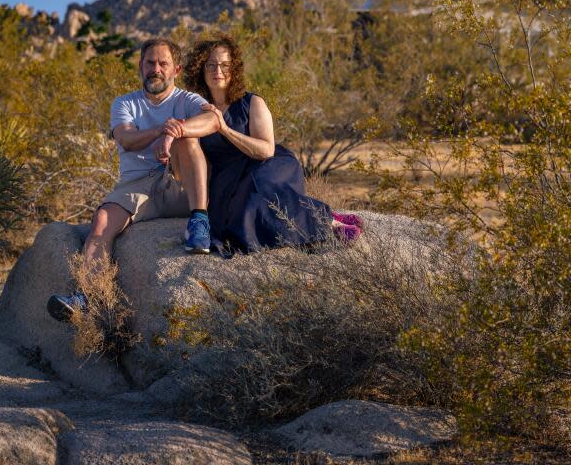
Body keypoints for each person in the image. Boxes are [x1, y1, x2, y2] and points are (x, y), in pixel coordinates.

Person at [47, 38, 220, 321]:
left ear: (175, 69)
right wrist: (159, 130)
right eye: (150, 63)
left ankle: (199, 220)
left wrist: (172, 134)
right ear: (140, 66)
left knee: (186, 140)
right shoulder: (125, 103)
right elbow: (126, 138)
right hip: (137, 186)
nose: (156, 69)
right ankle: (88, 297)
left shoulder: (186, 100)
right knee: (102, 221)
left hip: (180, 184)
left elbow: (213, 120)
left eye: (163, 63)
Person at [184, 34, 362, 255]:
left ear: (234, 69)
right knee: (244, 211)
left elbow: (266, 150)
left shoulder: (252, 103)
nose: (217, 71)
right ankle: (325, 214)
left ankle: (328, 224)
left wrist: (224, 129)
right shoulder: (195, 108)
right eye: (210, 65)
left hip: (266, 164)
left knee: (259, 187)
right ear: (200, 69)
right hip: (228, 178)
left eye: (224, 65)